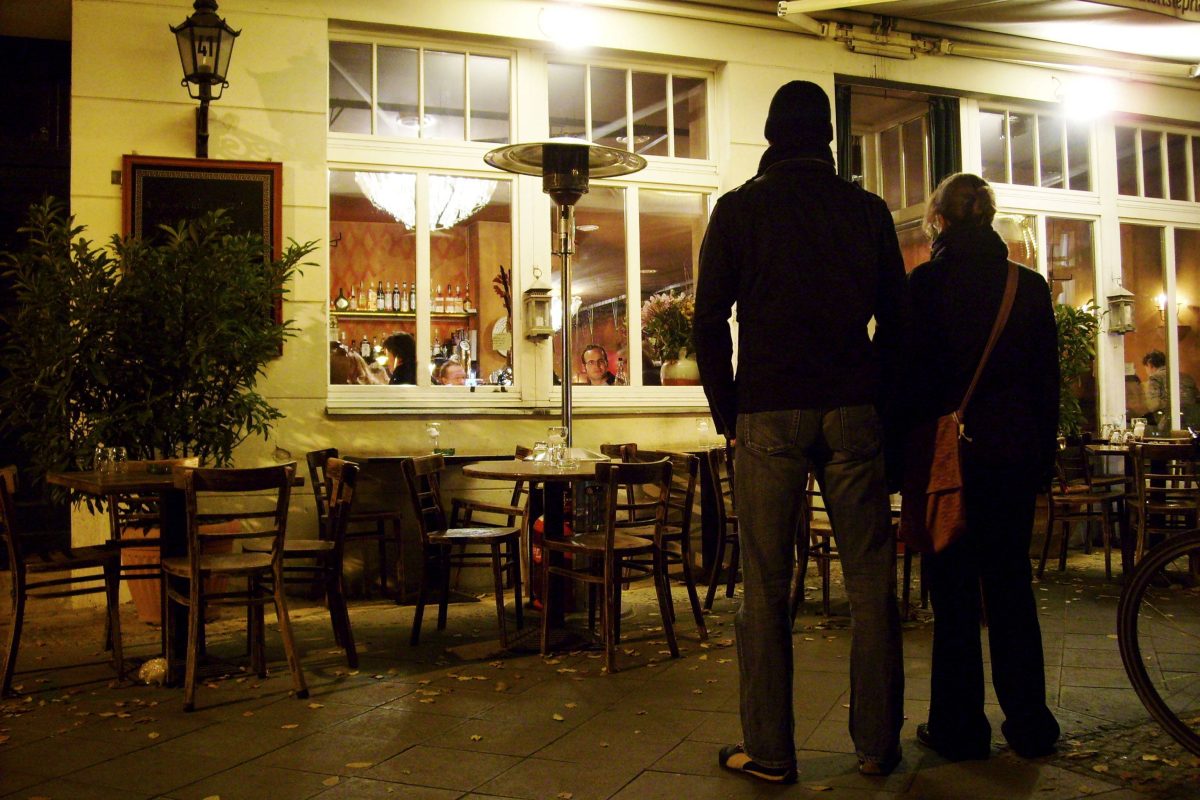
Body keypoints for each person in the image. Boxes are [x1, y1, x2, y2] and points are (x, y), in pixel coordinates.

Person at [694, 80, 907, 783]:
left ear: (770, 134)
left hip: (768, 409)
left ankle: (773, 752)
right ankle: (877, 746)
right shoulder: (868, 211)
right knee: (871, 581)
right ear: (828, 138)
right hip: (852, 407)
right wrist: (869, 386)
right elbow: (898, 322)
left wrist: (730, 413)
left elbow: (708, 321)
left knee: (765, 583)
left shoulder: (738, 211)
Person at [906, 172, 1060, 762]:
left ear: (937, 220)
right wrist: (1041, 462)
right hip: (1014, 461)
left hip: (952, 462)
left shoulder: (926, 285)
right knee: (1011, 586)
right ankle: (1030, 724)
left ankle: (960, 728)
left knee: (953, 595)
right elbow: (1047, 385)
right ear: (990, 219)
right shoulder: (1029, 288)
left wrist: (903, 465)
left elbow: (911, 383)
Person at [1142, 349, 1200, 431]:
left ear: (1149, 364)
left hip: (1169, 422)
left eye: (1146, 368)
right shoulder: (1186, 377)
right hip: (1195, 421)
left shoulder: (1155, 378)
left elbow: (1153, 405)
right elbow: (1197, 398)